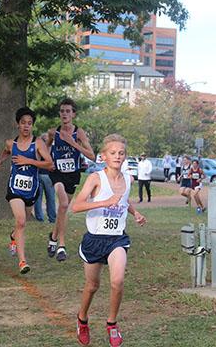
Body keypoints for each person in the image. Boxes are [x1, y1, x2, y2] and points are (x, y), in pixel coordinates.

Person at [72, 134, 146, 347]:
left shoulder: (127, 178)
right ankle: (82, 319)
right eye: (113, 153)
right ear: (103, 156)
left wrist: (135, 213)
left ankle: (112, 323)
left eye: (121, 153)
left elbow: (123, 200)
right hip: (95, 239)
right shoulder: (96, 178)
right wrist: (103, 202)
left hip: (117, 239)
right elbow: (76, 206)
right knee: (92, 285)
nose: (117, 156)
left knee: (117, 281)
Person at [0, 107, 53, 274]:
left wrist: (29, 160)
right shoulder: (10, 143)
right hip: (14, 188)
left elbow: (49, 164)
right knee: (21, 221)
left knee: (22, 221)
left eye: (30, 123)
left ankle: (13, 236)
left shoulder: (38, 143)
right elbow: (5, 153)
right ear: (18, 124)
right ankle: (22, 262)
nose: (26, 126)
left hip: (31, 189)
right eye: (23, 123)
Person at [46, 98, 96, 262]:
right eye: (62, 111)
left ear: (73, 114)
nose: (64, 114)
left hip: (72, 174)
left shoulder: (78, 133)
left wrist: (73, 143)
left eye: (68, 111)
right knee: (64, 204)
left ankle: (53, 236)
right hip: (57, 173)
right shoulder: (54, 132)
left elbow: (91, 156)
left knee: (62, 209)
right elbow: (45, 148)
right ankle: (61, 245)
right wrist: (48, 161)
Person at [33, 134, 56, 223]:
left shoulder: (38, 149)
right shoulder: (52, 149)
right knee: (50, 198)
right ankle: (52, 218)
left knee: (38, 198)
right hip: (48, 175)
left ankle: (40, 218)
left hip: (39, 174)